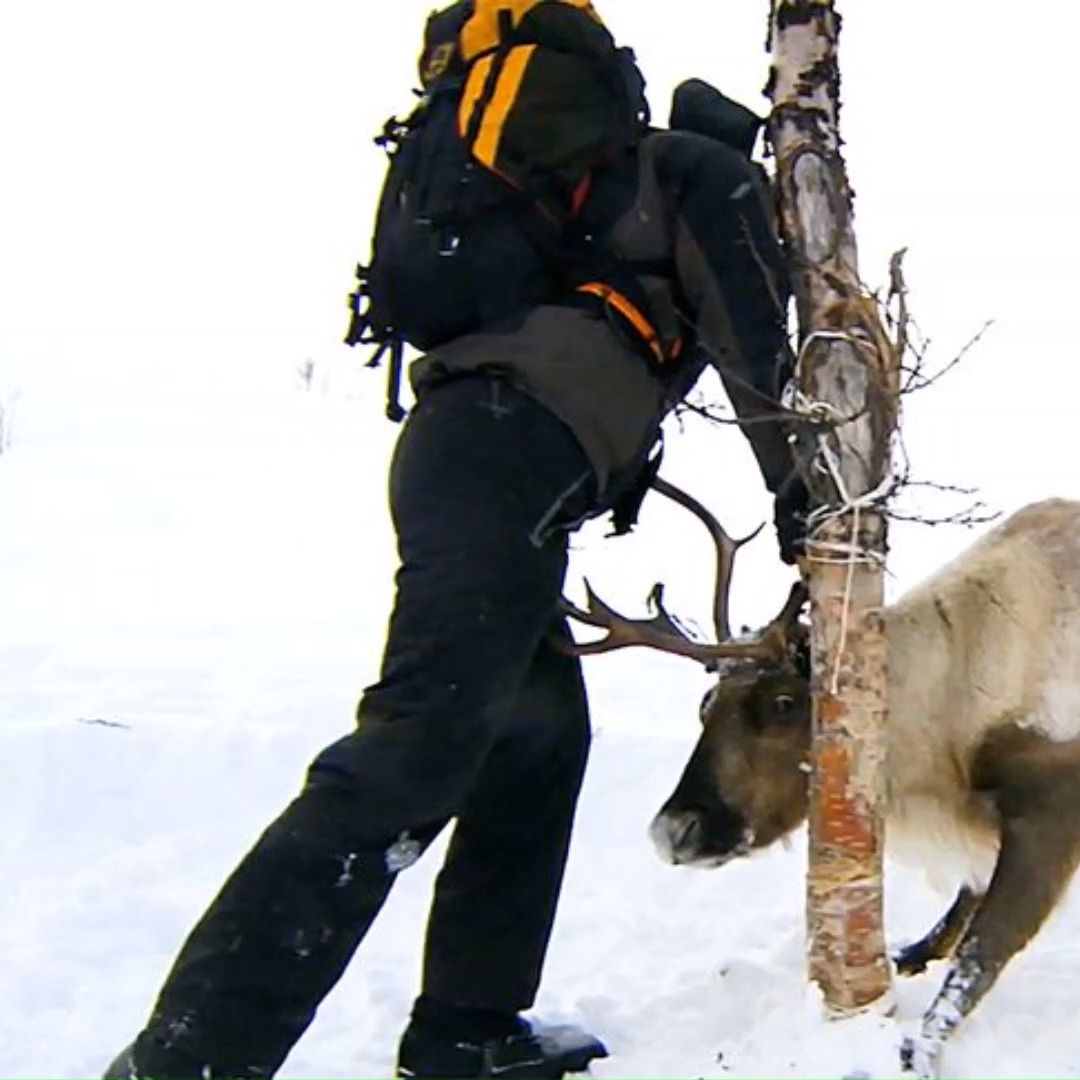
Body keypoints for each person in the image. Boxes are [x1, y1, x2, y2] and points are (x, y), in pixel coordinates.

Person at [103, 4, 809, 1077]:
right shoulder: (695, 176)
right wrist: (807, 491)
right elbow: (755, 340)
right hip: (507, 459)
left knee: (533, 743)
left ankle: (466, 1031)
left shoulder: (572, 193)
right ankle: (192, 1057)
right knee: (411, 754)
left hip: (467, 451)